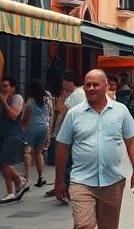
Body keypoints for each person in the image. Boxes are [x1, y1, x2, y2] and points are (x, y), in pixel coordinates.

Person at [54, 69, 134, 229]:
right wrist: (59, 181)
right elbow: (62, 147)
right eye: (88, 85)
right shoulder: (74, 114)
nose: (91, 88)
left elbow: (131, 141)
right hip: (81, 181)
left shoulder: (120, 111)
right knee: (84, 225)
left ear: (106, 86)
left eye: (96, 84)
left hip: (113, 180)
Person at [45, 70, 84, 198]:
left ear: (68, 82)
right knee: (64, 163)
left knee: (66, 163)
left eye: (63, 81)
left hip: (68, 134)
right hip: (67, 133)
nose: (62, 84)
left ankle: (64, 188)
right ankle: (60, 186)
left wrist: (61, 102)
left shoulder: (76, 95)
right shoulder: (73, 94)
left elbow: (62, 111)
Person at [0, 76, 28, 204]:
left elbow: (14, 116)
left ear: (13, 88)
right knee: (0, 163)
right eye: (1, 86)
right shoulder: (4, 98)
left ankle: (11, 192)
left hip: (13, 135)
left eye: (6, 86)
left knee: (5, 162)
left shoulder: (16, 98)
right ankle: (20, 181)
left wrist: (4, 102)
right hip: (1, 134)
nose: (3, 88)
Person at [22, 78, 51, 188]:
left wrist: (23, 126)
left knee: (27, 151)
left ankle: (26, 178)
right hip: (44, 128)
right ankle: (41, 177)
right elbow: (48, 116)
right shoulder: (45, 101)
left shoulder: (30, 101)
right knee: (38, 153)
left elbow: (25, 118)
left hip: (33, 127)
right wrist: (48, 132)